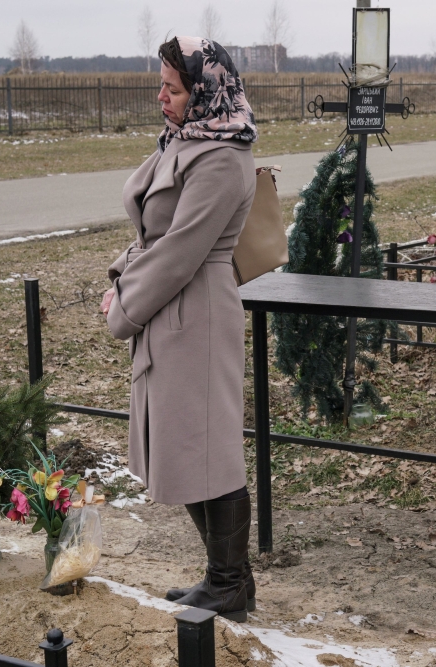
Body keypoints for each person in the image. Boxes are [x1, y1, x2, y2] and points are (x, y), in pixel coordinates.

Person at [100, 36, 258, 622]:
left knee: (209, 449)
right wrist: (121, 277)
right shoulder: (186, 140)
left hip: (197, 314)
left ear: (204, 90)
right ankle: (227, 580)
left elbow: (181, 251)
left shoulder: (221, 157)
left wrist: (123, 308)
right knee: (186, 447)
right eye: (161, 84)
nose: (160, 96)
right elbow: (152, 235)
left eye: (171, 86)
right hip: (169, 310)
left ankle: (228, 583)